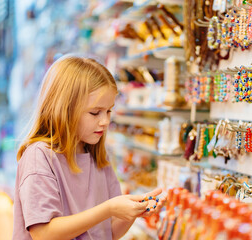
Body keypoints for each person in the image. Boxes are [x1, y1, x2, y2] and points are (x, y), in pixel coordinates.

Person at [13, 54, 166, 240]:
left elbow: (108, 232)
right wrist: (108, 208)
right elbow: (44, 233)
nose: (105, 121)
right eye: (95, 113)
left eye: (109, 111)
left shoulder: (98, 157)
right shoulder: (40, 157)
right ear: (64, 109)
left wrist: (135, 211)